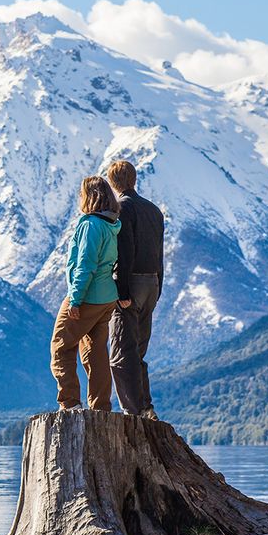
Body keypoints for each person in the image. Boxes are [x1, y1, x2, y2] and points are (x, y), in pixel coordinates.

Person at [50, 176, 121, 411]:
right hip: (107, 297)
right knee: (95, 351)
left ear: (89, 197)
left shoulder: (91, 225)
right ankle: (100, 406)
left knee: (60, 346)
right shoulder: (112, 224)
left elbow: (85, 265)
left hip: (87, 296)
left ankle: (70, 404)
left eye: (82, 194)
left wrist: (75, 299)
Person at [105, 160, 165, 419]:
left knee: (120, 351)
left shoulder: (121, 208)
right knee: (138, 350)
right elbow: (160, 253)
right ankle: (146, 406)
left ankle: (133, 412)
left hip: (131, 283)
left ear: (113, 183)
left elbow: (125, 250)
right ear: (134, 179)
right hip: (152, 283)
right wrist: (157, 287)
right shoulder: (154, 211)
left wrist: (122, 291)